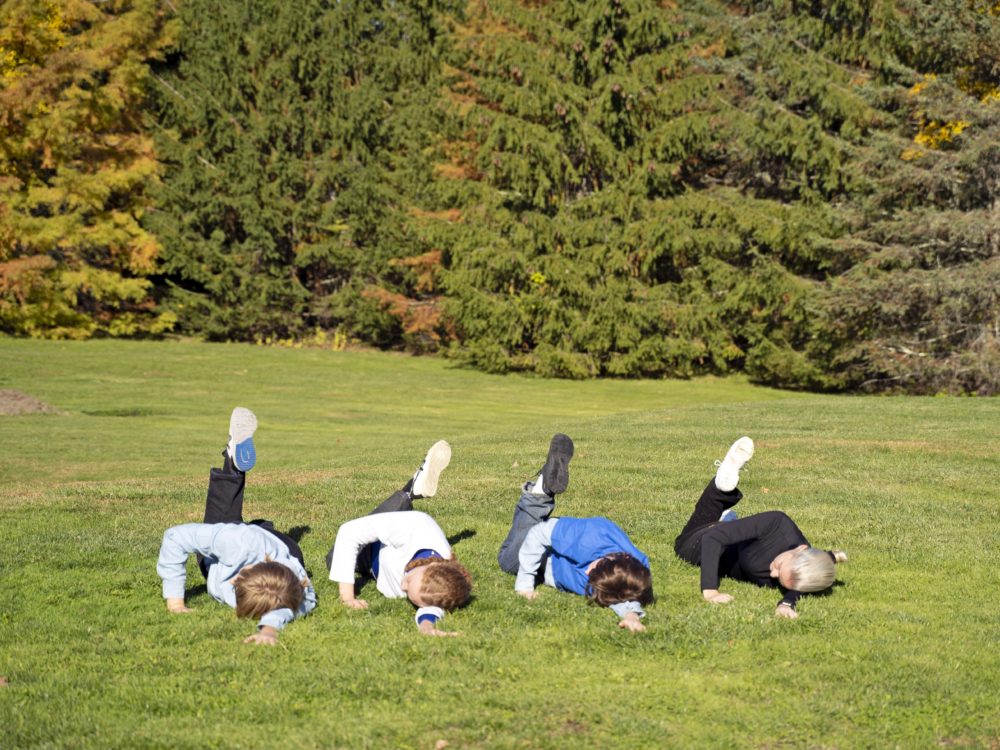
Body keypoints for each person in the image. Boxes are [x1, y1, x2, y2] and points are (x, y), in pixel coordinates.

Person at [156, 408, 317, 645]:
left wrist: (268, 631)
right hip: (271, 545)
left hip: (278, 548)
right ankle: (232, 462)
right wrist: (175, 602)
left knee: (232, 531)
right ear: (239, 575)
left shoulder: (296, 590)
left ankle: (239, 471)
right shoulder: (235, 542)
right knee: (222, 522)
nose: (229, 582)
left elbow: (288, 606)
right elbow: (174, 537)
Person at [674, 436, 847, 619]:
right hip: (705, 543)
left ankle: (723, 496)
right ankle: (721, 489)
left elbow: (801, 585)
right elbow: (712, 539)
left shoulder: (805, 569)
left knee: (720, 529)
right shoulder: (777, 524)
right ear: (801, 549)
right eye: (779, 568)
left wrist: (786, 604)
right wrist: (711, 591)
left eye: (780, 577)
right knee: (682, 544)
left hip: (730, 536)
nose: (773, 573)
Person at [497, 434, 653, 632]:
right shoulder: (590, 537)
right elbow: (538, 534)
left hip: (561, 545)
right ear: (613, 557)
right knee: (507, 560)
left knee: (515, 550)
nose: (588, 572)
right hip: (550, 550)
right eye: (595, 568)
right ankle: (540, 494)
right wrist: (525, 585)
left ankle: (542, 487)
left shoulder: (636, 573)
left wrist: (633, 617)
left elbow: (622, 597)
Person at [325, 440, 472, 636]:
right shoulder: (419, 527)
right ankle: (410, 491)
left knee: (335, 561)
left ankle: (412, 491)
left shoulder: (438, 586)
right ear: (429, 566)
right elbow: (349, 532)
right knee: (337, 556)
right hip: (377, 546)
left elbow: (431, 608)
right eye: (409, 582)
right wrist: (347, 598)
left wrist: (428, 628)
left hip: (373, 566)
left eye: (414, 600)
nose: (402, 587)